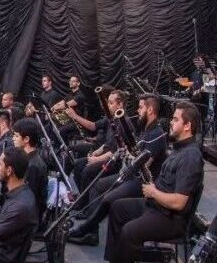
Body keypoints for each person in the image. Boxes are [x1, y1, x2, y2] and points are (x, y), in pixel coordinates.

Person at [91, 102, 203, 263]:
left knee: (130, 231)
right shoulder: (178, 150)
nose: (171, 122)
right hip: (157, 206)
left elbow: (179, 202)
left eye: (176, 119)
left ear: (187, 126)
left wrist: (154, 192)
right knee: (118, 207)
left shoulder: (191, 157)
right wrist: (152, 185)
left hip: (171, 218)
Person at [69, 94, 167, 247]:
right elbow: (133, 154)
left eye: (140, 107)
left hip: (143, 182)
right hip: (133, 176)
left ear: (150, 109)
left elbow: (144, 165)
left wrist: (127, 155)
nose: (137, 110)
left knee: (109, 198)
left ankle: (87, 230)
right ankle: (89, 230)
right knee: (98, 185)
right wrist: (126, 151)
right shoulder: (145, 130)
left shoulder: (156, 134)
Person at [10, 118, 49, 218]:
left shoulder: (32, 166)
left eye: (16, 136)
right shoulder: (28, 160)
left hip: (27, 218)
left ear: (26, 139)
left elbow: (29, 201)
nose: (13, 138)